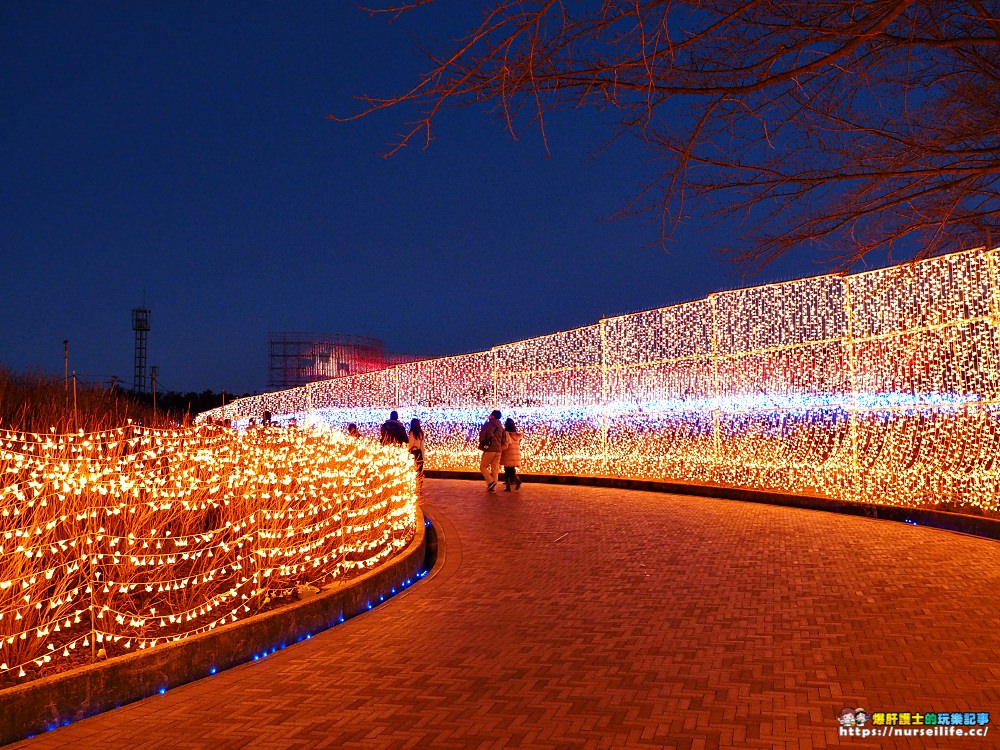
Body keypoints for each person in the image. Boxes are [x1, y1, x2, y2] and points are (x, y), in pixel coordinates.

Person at [478, 410, 506, 492]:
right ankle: (493, 487)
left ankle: (490, 482)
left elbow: (482, 437)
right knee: (495, 468)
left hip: (490, 449)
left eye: (491, 414)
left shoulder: (487, 425)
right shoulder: (501, 427)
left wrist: (483, 444)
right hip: (498, 450)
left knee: (483, 466)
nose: (489, 415)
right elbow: (503, 440)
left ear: (492, 416)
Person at [500, 417, 523, 491]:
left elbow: (506, 445)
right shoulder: (516, 435)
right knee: (512, 470)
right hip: (515, 455)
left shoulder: (507, 434)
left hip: (508, 454)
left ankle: (508, 487)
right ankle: (516, 481)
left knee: (507, 471)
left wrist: (500, 449)